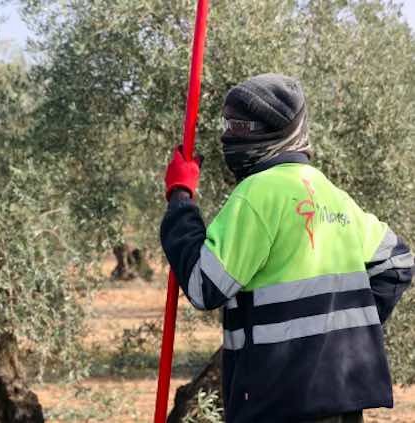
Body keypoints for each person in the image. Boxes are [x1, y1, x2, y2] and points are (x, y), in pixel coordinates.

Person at [160, 74, 412, 423]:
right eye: (226, 124)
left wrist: (180, 199)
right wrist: (341, 339)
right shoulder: (328, 192)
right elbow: (397, 262)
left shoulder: (258, 193)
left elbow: (205, 286)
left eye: (239, 126)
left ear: (271, 132)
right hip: (343, 398)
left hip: (277, 403)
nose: (226, 135)